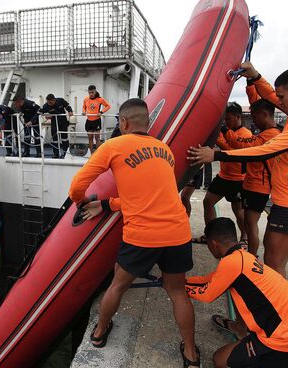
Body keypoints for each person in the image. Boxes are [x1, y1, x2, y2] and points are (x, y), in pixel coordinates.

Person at [69, 98, 200, 367]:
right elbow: (148, 195)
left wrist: (81, 202)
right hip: (177, 232)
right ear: (147, 122)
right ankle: (191, 353)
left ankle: (99, 332)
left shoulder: (114, 145)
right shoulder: (165, 150)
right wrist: (107, 204)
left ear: (124, 122)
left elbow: (78, 185)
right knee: (177, 292)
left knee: (118, 284)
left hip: (143, 235)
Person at [188, 64, 288, 277]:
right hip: (287, 200)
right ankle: (270, 301)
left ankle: (275, 307)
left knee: (274, 263)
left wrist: (215, 155)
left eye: (282, 97)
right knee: (270, 254)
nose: (278, 102)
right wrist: (254, 77)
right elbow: (269, 95)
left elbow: (263, 151)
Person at [185, 218, 288, 368]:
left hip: (284, 342)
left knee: (219, 360)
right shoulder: (244, 257)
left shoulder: (231, 263)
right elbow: (210, 279)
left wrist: (181, 289)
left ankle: (281, 360)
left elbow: (206, 294)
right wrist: (185, 280)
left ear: (213, 243)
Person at [226, 98, 281, 256]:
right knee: (249, 224)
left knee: (250, 224)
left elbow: (244, 144)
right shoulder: (267, 133)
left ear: (264, 114)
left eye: (255, 117)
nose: (254, 121)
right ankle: (251, 255)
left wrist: (223, 131)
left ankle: (251, 257)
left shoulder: (270, 135)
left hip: (259, 186)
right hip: (252, 184)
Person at [193, 102, 251, 244]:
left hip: (238, 179)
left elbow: (234, 151)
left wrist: (218, 149)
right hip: (223, 176)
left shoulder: (245, 134)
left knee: (238, 209)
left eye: (229, 119)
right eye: (225, 119)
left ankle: (244, 238)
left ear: (238, 117)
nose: (226, 122)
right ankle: (211, 234)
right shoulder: (224, 130)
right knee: (208, 202)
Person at [39, 94, 73, 158]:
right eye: (48, 102)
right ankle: (56, 154)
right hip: (54, 121)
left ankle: (66, 153)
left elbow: (67, 106)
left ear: (54, 100)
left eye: (50, 102)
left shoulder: (60, 100)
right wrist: (46, 115)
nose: (49, 104)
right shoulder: (46, 106)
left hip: (63, 121)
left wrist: (70, 111)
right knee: (55, 138)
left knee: (64, 138)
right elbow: (40, 112)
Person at [82, 85, 111, 153]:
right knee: (90, 137)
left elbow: (108, 106)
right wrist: (83, 112)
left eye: (92, 92)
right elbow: (84, 107)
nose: (91, 94)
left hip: (97, 121)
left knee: (97, 138)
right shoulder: (86, 99)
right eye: (89, 93)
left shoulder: (100, 99)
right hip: (89, 121)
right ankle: (91, 152)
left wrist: (101, 112)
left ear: (95, 91)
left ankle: (98, 153)